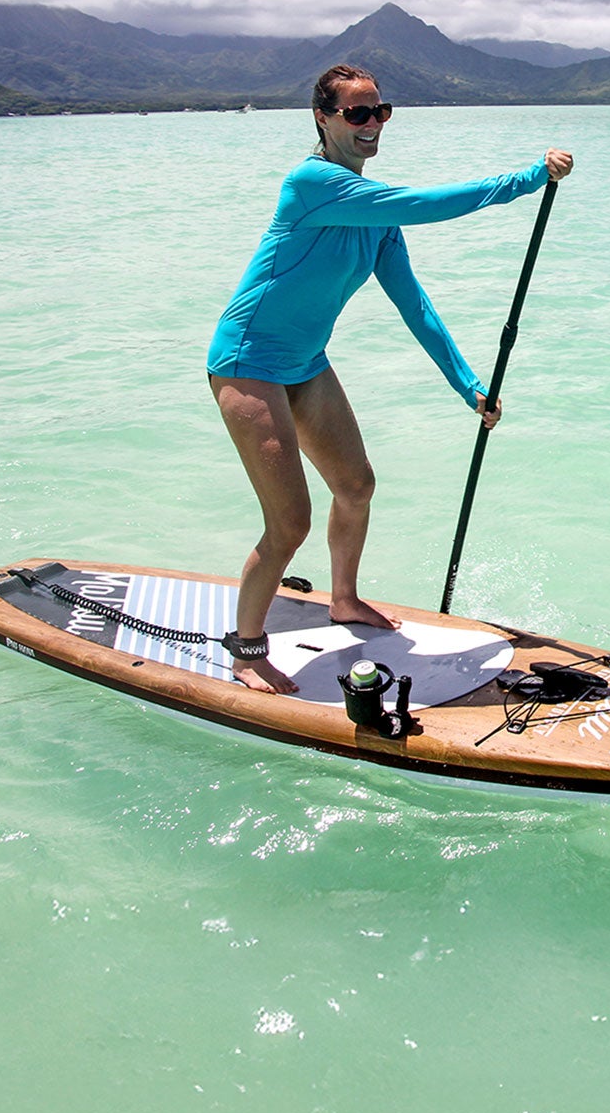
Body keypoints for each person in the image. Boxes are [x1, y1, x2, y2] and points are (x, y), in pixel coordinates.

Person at [207, 63, 574, 694]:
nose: (372, 124)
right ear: (323, 118)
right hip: (247, 362)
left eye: (380, 112)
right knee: (289, 521)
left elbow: (416, 306)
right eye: (357, 113)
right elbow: (426, 204)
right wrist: (527, 178)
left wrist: (469, 386)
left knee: (355, 485)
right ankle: (245, 647)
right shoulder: (312, 183)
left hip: (305, 363)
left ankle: (343, 600)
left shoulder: (376, 222)